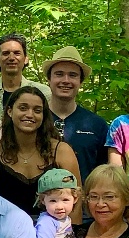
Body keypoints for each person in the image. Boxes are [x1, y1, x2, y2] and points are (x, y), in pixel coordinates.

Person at [0, 87, 82, 219]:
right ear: (10, 111)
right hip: (7, 234)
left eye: (37, 110)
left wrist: (70, 235)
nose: (30, 114)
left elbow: (76, 201)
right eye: (23, 108)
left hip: (55, 235)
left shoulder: (61, 151)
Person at [42, 47, 109, 183]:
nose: (66, 80)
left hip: (84, 200)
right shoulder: (36, 119)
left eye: (72, 75)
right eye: (59, 74)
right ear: (49, 79)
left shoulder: (97, 124)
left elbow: (104, 173)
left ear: (80, 82)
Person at [0, 34, 51, 105]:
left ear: (26, 59)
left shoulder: (43, 92)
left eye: (17, 53)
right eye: (6, 53)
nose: (11, 58)